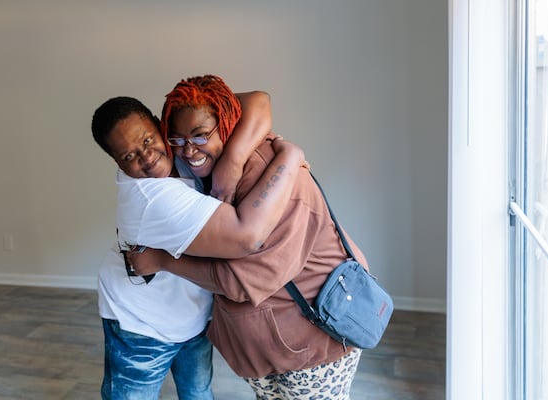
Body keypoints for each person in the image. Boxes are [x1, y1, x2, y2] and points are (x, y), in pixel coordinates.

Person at [127, 75, 368, 400]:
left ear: (225, 123)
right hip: (266, 346)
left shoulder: (273, 174)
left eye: (199, 136)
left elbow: (242, 280)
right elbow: (254, 101)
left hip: (314, 344)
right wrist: (232, 157)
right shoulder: (207, 162)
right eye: (177, 139)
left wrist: (162, 260)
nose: (187, 150)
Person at [92, 92, 306, 400]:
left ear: (159, 126)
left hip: (192, 314)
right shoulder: (153, 198)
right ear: (116, 161)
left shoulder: (182, 147)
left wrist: (232, 160)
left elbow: (258, 101)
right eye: (128, 156)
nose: (146, 157)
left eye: (148, 141)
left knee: (198, 392)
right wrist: (291, 156)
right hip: (140, 323)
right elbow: (248, 237)